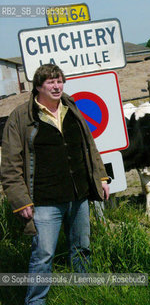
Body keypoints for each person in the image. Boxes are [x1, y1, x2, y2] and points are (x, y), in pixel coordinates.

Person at [0, 64, 110, 305]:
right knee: (43, 254)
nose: (56, 86)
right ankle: (36, 301)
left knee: (82, 248)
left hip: (78, 194)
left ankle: (86, 292)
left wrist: (100, 177)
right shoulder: (21, 117)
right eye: (50, 82)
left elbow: (88, 145)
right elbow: (10, 165)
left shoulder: (71, 108)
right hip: (44, 200)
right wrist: (20, 201)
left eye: (59, 80)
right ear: (38, 86)